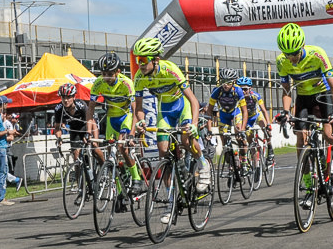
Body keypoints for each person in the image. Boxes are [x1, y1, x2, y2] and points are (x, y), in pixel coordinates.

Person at [274, 23, 333, 196]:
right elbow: (286, 90)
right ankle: (308, 184)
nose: (291, 58)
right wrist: (286, 112)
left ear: (301, 46)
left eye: (294, 53)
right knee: (301, 139)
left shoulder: (317, 54)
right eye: (287, 54)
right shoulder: (281, 62)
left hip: (322, 96)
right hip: (303, 98)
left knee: (328, 134)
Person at [132, 38, 206, 179]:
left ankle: (203, 164)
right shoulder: (139, 77)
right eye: (138, 60)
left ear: (155, 60)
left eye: (143, 59)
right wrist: (141, 121)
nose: (140, 64)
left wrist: (194, 124)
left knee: (185, 140)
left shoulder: (170, 69)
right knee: (163, 151)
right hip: (165, 110)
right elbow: (139, 108)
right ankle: (169, 196)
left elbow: (194, 101)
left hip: (182, 105)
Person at [88, 51, 144, 200]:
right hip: (111, 118)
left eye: (109, 74)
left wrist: (131, 134)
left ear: (118, 71)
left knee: (122, 148)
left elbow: (134, 110)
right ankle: (120, 192)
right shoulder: (99, 82)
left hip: (126, 116)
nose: (106, 77)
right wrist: (89, 132)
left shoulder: (126, 83)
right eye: (103, 73)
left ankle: (136, 178)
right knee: (111, 157)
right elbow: (91, 108)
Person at [205, 68, 249, 169]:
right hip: (223, 114)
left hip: (235, 113)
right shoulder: (217, 91)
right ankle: (230, 161)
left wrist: (242, 129)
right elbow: (209, 111)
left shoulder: (238, 90)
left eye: (228, 82)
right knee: (223, 140)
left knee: (239, 135)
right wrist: (209, 130)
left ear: (233, 82)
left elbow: (245, 111)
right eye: (223, 81)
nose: (225, 85)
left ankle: (244, 161)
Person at [237, 75, 273, 164]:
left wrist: (268, 124)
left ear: (250, 89)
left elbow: (264, 110)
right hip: (246, 119)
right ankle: (255, 164)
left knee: (266, 128)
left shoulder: (255, 96)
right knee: (250, 140)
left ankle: (270, 147)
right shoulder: (237, 98)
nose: (243, 91)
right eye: (241, 89)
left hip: (256, 115)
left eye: (245, 89)